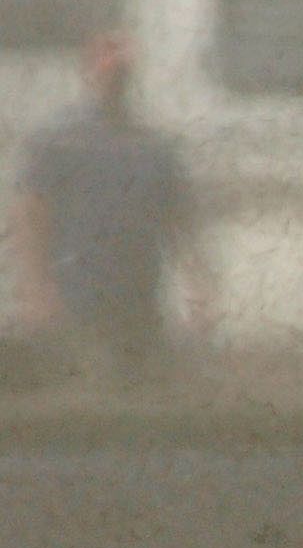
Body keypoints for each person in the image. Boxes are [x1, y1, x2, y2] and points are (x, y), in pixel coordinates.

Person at [18, 32, 188, 385]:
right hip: (78, 292)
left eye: (122, 74)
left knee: (140, 390)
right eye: (108, 72)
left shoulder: (152, 144)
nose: (115, 82)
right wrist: (38, 287)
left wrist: (198, 280)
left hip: (138, 293)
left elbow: (175, 213)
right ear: (90, 74)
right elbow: (34, 213)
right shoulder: (60, 140)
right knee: (83, 387)